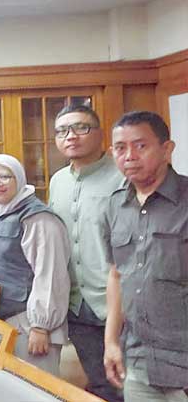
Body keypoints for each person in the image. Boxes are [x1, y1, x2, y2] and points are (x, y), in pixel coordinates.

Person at [103, 111, 188, 401]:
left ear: (167, 149)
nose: (129, 156)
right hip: (139, 359)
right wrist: (111, 342)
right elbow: (116, 275)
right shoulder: (115, 205)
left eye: (140, 146)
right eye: (120, 148)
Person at [48, 104, 124, 401]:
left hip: (118, 303)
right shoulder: (58, 181)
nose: (71, 136)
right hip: (76, 304)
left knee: (130, 384)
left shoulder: (121, 175)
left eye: (81, 127)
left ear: (100, 133)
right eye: (62, 131)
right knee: (101, 383)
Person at [0, 154, 70, 375]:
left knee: (35, 387)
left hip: (28, 325)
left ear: (19, 179)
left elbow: (50, 273)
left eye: (4, 177)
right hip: (1, 321)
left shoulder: (37, 217)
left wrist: (41, 326)